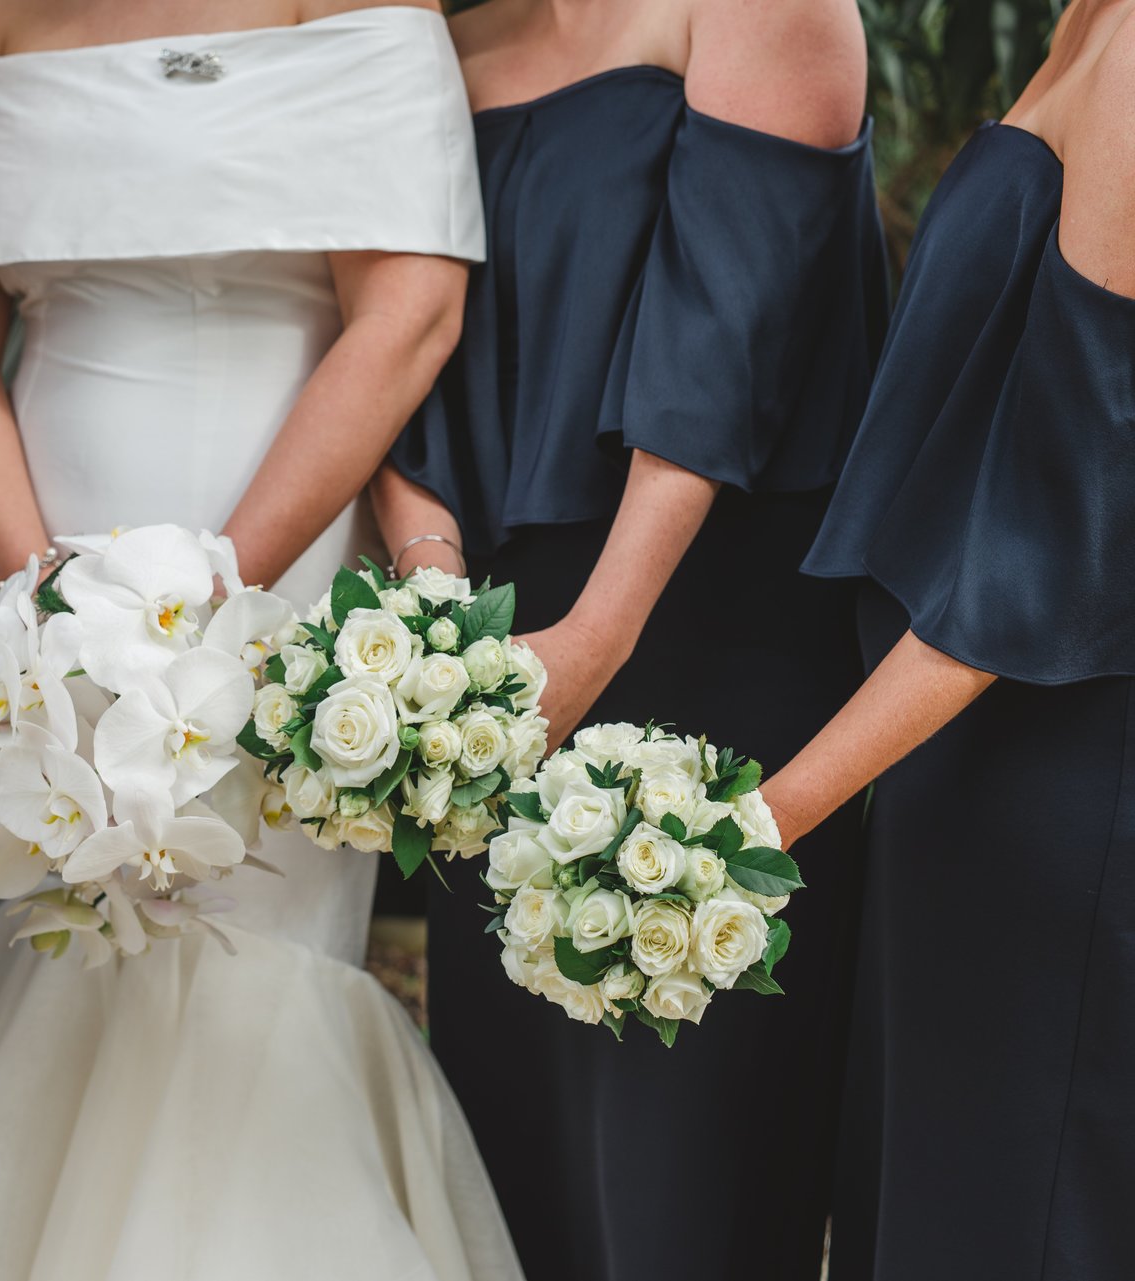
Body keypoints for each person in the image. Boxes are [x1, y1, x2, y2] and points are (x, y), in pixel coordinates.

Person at [0, 1, 522, 1277]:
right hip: (45, 558)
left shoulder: (367, 8)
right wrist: (41, 607)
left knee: (235, 931)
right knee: (52, 915)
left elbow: (408, 317)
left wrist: (208, 603)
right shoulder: (2, 20)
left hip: (284, 554)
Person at [373, 0, 886, 1276]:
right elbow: (393, 337)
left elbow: (724, 333)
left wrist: (594, 637)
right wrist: (437, 615)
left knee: (683, 1161)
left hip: (710, 620)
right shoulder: (438, 47)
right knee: (515, 1142)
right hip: (494, 657)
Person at [763, 2, 1135, 1275]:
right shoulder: (1089, 22)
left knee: (1014, 1216)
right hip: (957, 762)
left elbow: (1048, 527)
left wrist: (763, 822)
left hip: (1062, 768)